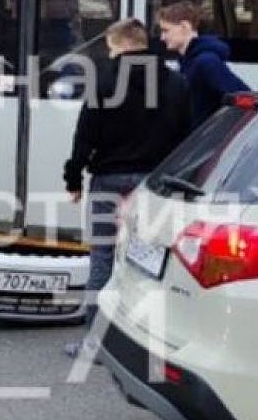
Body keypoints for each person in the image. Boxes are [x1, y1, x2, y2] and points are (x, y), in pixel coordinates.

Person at [61, 18, 191, 360]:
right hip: (153, 184)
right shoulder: (176, 82)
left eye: (110, 47)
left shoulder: (104, 81)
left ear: (119, 44)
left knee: (102, 257)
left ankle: (94, 344)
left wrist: (73, 179)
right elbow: (186, 135)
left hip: (109, 180)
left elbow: (84, 135)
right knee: (150, 262)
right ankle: (147, 344)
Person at [157, 0, 251, 127]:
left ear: (184, 26)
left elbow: (245, 98)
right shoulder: (191, 62)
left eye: (166, 30)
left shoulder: (206, 62)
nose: (162, 37)